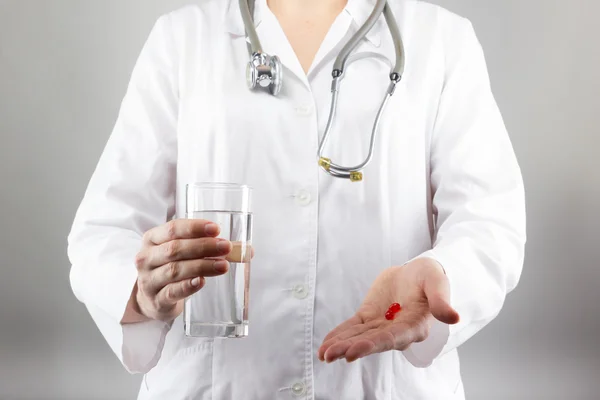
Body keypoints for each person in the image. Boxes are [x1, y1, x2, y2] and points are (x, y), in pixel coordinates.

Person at [67, 0, 526, 398]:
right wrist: (145, 292)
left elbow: (490, 221)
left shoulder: (442, 40)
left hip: (384, 385)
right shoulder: (181, 39)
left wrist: (443, 276)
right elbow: (103, 232)